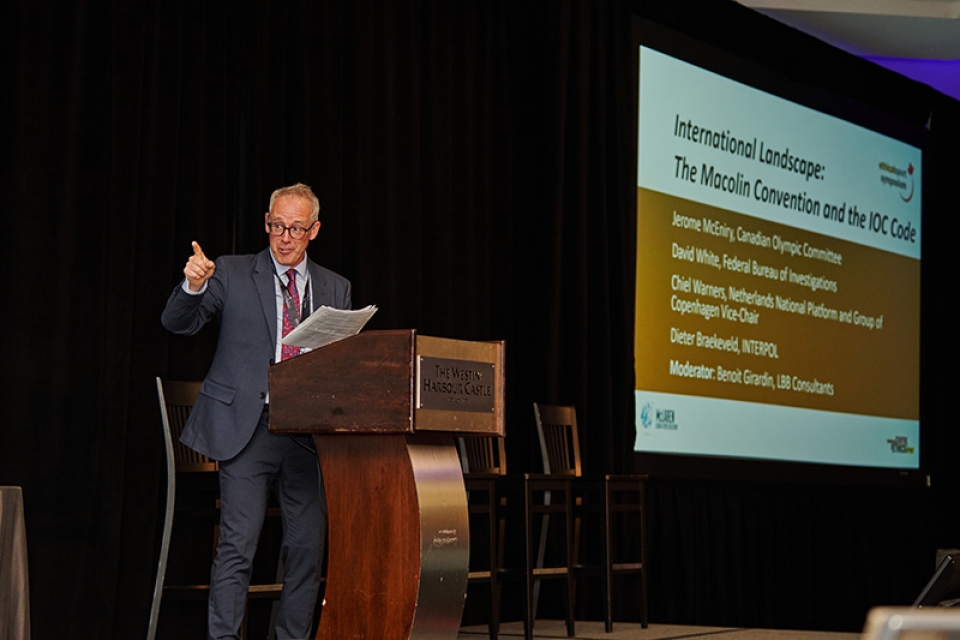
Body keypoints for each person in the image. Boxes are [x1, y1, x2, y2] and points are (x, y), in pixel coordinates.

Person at [161, 183, 351, 640]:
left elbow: (342, 365)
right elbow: (177, 322)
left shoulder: (335, 287)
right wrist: (192, 285)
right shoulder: (230, 272)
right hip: (247, 429)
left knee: (307, 546)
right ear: (266, 223)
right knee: (238, 547)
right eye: (277, 226)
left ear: (315, 230)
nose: (285, 238)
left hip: (305, 434)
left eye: (297, 229)